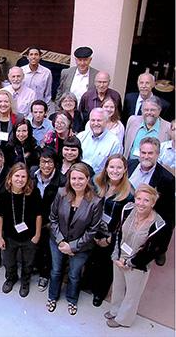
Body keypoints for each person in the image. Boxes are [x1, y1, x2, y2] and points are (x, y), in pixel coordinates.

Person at [106, 184, 169, 328]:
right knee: (118, 286)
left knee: (132, 294)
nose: (141, 203)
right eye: (138, 199)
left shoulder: (159, 224)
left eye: (146, 200)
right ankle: (115, 310)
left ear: (153, 203)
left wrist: (129, 263)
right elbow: (118, 232)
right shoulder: (127, 209)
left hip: (137, 264)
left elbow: (151, 251)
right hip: (120, 257)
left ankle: (123, 319)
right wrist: (116, 255)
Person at [46, 163, 103, 315]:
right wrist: (60, 241)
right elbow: (52, 218)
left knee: (74, 274)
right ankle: (52, 296)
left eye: (81, 178)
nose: (77, 182)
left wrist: (72, 246)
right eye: (73, 178)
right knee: (56, 271)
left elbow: (92, 230)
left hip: (81, 246)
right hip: (58, 241)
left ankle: (72, 298)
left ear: (88, 179)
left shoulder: (95, 202)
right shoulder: (61, 193)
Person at [82, 154, 134, 307]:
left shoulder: (129, 194)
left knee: (105, 265)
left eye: (119, 167)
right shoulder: (96, 183)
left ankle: (99, 292)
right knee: (90, 259)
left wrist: (109, 238)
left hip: (111, 235)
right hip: (92, 229)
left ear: (125, 169)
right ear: (106, 168)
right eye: (111, 167)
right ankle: (86, 283)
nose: (115, 171)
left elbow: (126, 222)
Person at [0, 163, 42, 297]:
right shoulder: (3, 194)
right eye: (17, 176)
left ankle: (25, 281)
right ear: (10, 178)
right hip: (9, 236)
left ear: (28, 179)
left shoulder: (33, 193)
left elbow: (39, 215)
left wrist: (37, 235)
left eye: (23, 176)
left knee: (28, 263)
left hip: (29, 237)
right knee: (8, 261)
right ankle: (11, 277)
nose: (20, 179)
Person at [127, 137, 175, 266]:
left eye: (150, 153)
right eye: (143, 153)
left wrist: (161, 246)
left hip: (148, 220)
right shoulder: (129, 165)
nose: (146, 156)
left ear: (157, 154)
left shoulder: (167, 179)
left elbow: (168, 214)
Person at [29, 149, 65, 292]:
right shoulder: (32, 173)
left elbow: (63, 206)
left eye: (50, 162)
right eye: (43, 161)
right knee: (34, 246)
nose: (46, 165)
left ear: (55, 163)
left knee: (47, 250)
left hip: (51, 223)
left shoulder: (62, 180)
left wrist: (52, 223)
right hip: (33, 219)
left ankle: (44, 275)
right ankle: (36, 267)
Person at [77, 108, 122, 173]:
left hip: (99, 180)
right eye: (93, 120)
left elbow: (113, 168)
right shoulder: (81, 137)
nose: (95, 123)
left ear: (106, 122)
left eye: (99, 120)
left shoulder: (114, 142)